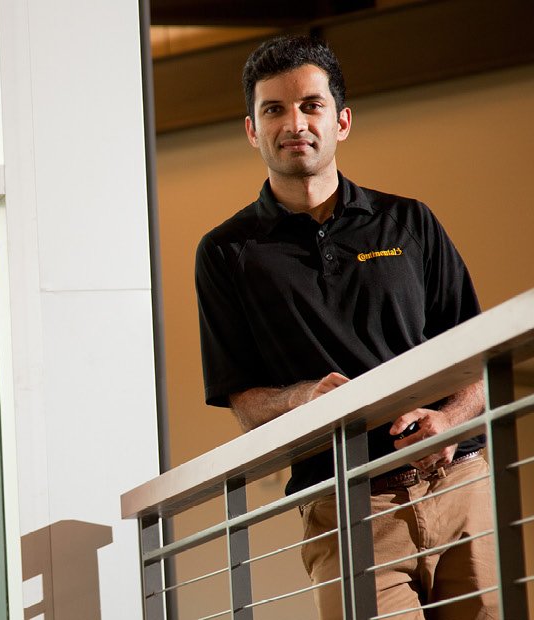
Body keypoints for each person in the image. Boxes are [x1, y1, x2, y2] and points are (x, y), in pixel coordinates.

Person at [194, 35, 497, 619]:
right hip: (346, 504)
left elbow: (476, 352)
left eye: (311, 105)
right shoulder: (227, 253)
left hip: (460, 483)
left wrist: (449, 418)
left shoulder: (410, 222)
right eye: (274, 109)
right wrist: (307, 397)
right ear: (253, 130)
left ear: (342, 120)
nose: (295, 123)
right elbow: (245, 405)